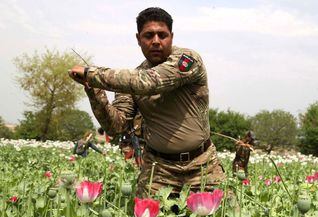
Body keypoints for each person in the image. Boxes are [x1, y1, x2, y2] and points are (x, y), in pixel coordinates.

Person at [68, 7, 225, 197]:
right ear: (138, 39)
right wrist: (95, 92)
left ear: (172, 36)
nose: (156, 41)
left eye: (162, 35)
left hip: (202, 165)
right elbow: (116, 126)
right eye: (149, 35)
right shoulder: (130, 80)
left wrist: (92, 74)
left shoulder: (188, 60)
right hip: (158, 170)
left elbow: (151, 82)